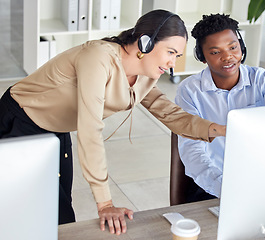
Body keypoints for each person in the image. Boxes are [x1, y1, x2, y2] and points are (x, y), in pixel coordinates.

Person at [0, 10, 226, 235]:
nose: (171, 63)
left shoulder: (145, 72)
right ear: (145, 42)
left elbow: (169, 113)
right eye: (170, 52)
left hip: (56, 129)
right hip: (21, 120)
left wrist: (216, 130)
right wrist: (105, 204)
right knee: (37, 212)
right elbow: (90, 128)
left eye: (177, 56)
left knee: (61, 215)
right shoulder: (98, 58)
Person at [175, 13, 265, 203]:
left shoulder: (263, 80)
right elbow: (192, 150)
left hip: (262, 178)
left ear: (242, 47)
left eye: (233, 47)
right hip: (212, 185)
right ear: (201, 56)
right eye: (215, 52)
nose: (228, 57)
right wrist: (224, 186)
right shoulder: (190, 91)